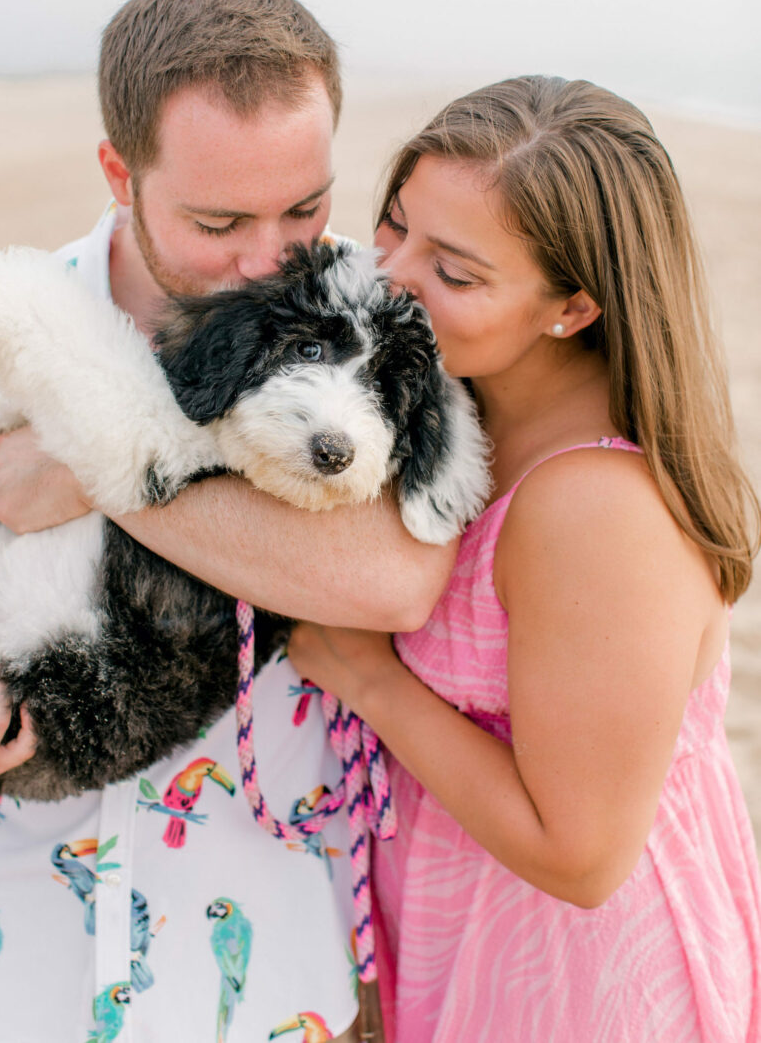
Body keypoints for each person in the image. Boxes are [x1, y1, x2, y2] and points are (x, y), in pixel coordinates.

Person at [0, 0, 450, 1043]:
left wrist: (100, 477)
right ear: (119, 170)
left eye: (306, 205)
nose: (269, 257)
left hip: (268, 995)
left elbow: (397, 576)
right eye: (218, 218)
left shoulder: (366, 330)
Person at [283, 77, 761, 1041]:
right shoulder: (460, 405)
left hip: (580, 981)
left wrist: (367, 678)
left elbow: (583, 856)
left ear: (572, 308)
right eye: (394, 227)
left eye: (454, 273)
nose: (392, 278)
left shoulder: (594, 509)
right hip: (465, 931)